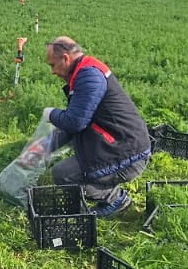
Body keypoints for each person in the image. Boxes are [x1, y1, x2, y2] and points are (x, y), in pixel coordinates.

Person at [44, 36, 152, 217]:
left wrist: (51, 114)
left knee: (63, 174)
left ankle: (115, 198)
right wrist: (43, 148)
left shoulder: (89, 77)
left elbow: (75, 122)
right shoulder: (83, 72)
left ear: (65, 58)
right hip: (116, 143)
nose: (52, 72)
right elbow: (75, 122)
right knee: (66, 170)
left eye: (52, 65)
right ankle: (106, 186)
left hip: (127, 153)